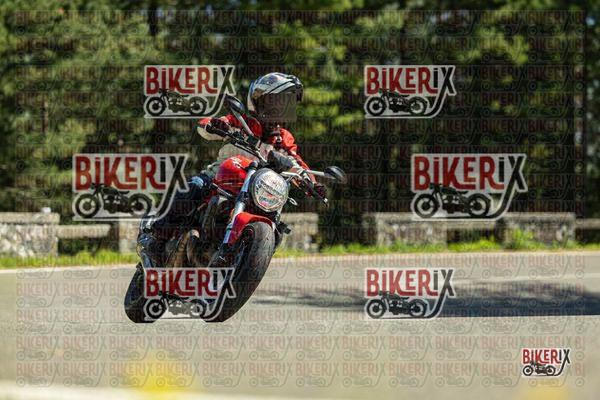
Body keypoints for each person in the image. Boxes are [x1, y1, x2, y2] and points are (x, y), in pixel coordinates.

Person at [137, 72, 325, 268]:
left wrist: (312, 183)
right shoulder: (242, 121)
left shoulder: (283, 139)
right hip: (220, 177)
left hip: (256, 190)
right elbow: (205, 126)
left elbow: (297, 163)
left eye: (286, 104)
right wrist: (215, 125)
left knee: (276, 224)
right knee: (193, 187)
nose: (281, 109)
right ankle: (156, 239)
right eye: (276, 102)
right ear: (258, 101)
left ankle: (241, 260)